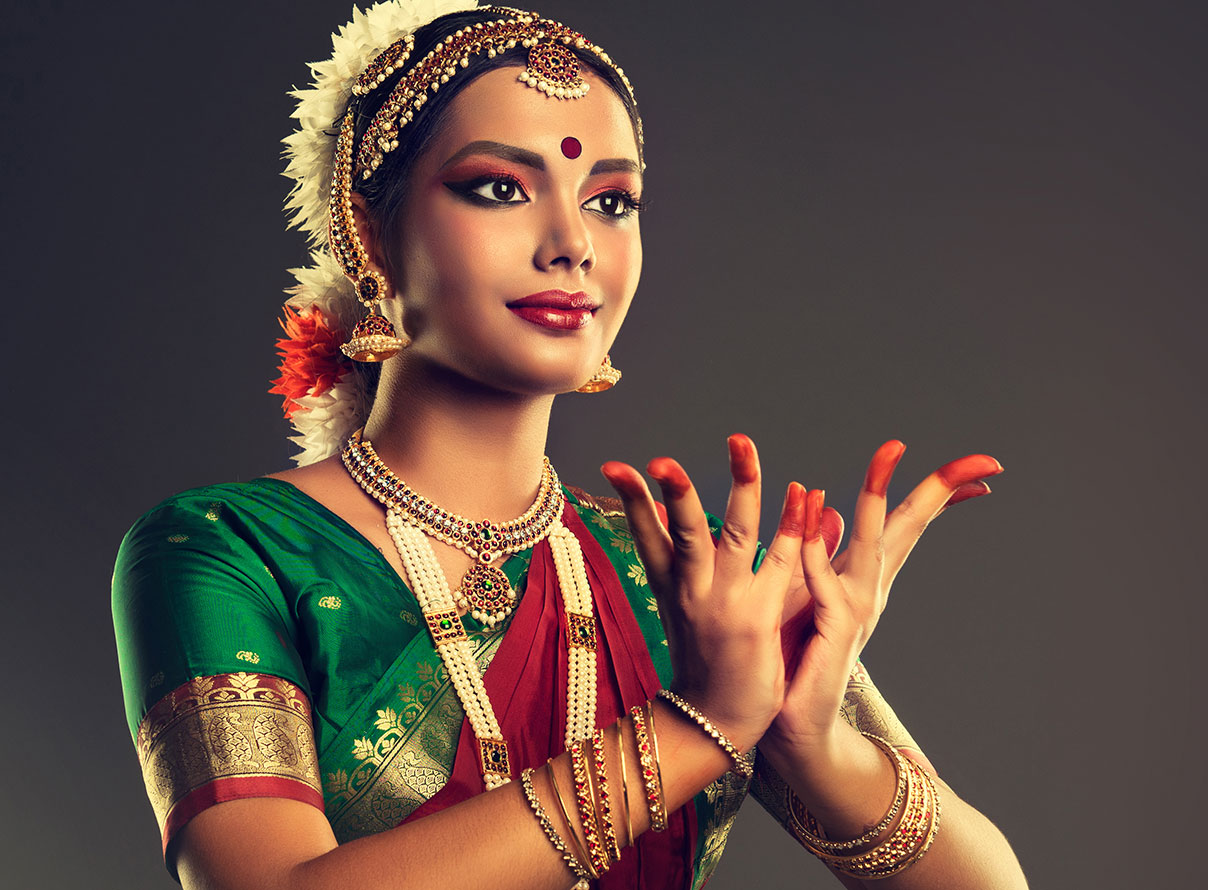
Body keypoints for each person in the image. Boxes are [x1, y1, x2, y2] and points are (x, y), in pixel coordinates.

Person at [111, 3, 1027, 888]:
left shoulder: (689, 576)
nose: (572, 243)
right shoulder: (227, 551)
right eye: (500, 188)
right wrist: (696, 728)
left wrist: (808, 739)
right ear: (370, 234)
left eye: (612, 200)